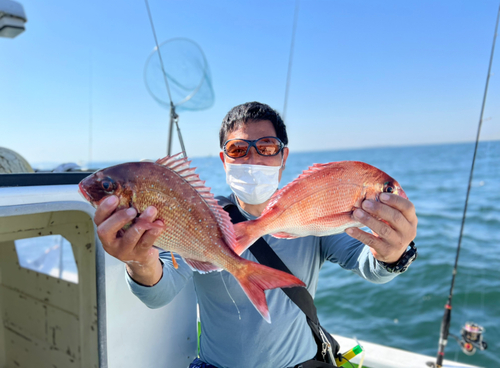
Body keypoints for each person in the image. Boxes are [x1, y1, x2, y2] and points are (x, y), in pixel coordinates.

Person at [94, 102, 418, 368]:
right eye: (238, 149)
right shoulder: (198, 217)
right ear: (224, 160)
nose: (252, 159)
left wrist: (393, 252)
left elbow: (369, 265)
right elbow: (158, 293)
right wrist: (139, 261)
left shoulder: (315, 216)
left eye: (266, 147)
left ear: (283, 158)